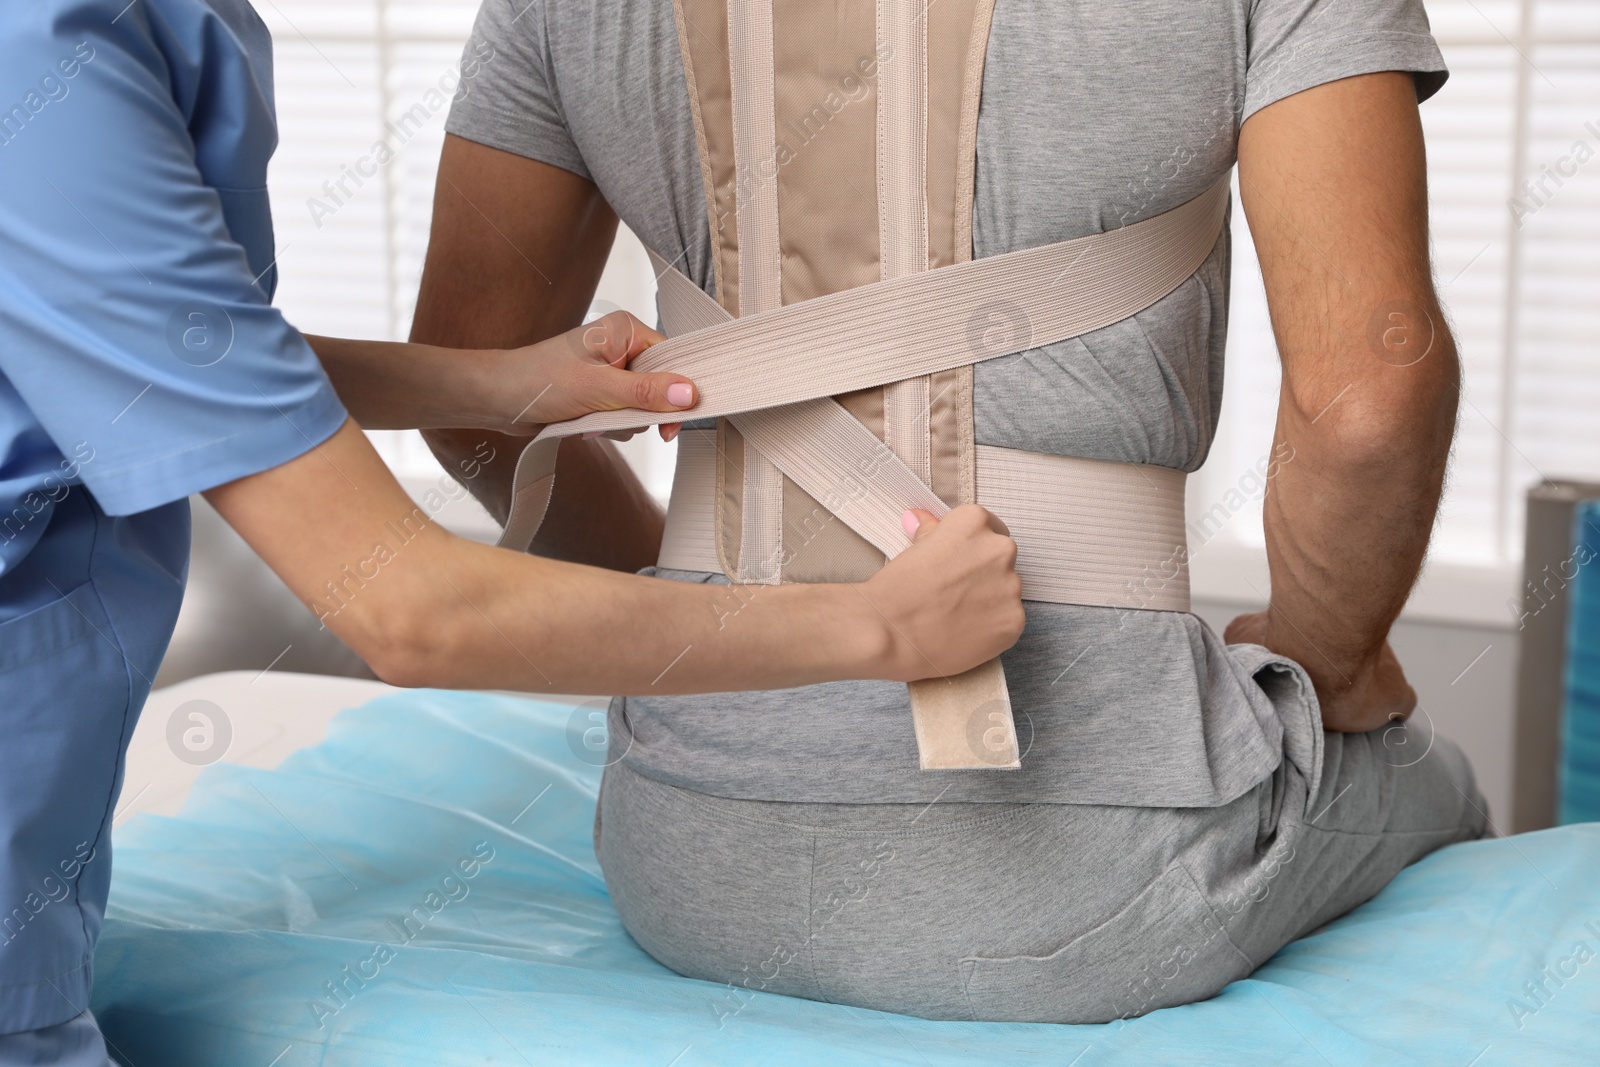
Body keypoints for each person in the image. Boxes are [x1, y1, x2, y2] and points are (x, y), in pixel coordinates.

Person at [415, 0, 1492, 1024]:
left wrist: (695, 632)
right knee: (1433, 786)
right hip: (1105, 883)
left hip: (684, 858)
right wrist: (1332, 667)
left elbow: (471, 398)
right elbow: (1366, 406)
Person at [0, 2, 1027, 1060]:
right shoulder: (45, 64)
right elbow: (411, 612)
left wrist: (496, 383)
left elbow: (148, 349)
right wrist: (879, 631)